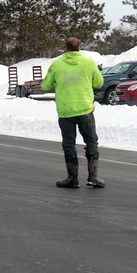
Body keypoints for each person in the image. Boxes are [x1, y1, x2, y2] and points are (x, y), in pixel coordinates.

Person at [42, 37, 105, 189]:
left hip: (65, 111)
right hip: (85, 109)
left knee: (69, 144)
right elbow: (99, 83)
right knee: (91, 142)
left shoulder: (57, 65)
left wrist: (59, 85)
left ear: (65, 48)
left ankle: (72, 178)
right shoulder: (89, 63)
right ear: (79, 47)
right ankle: (93, 176)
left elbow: (45, 86)